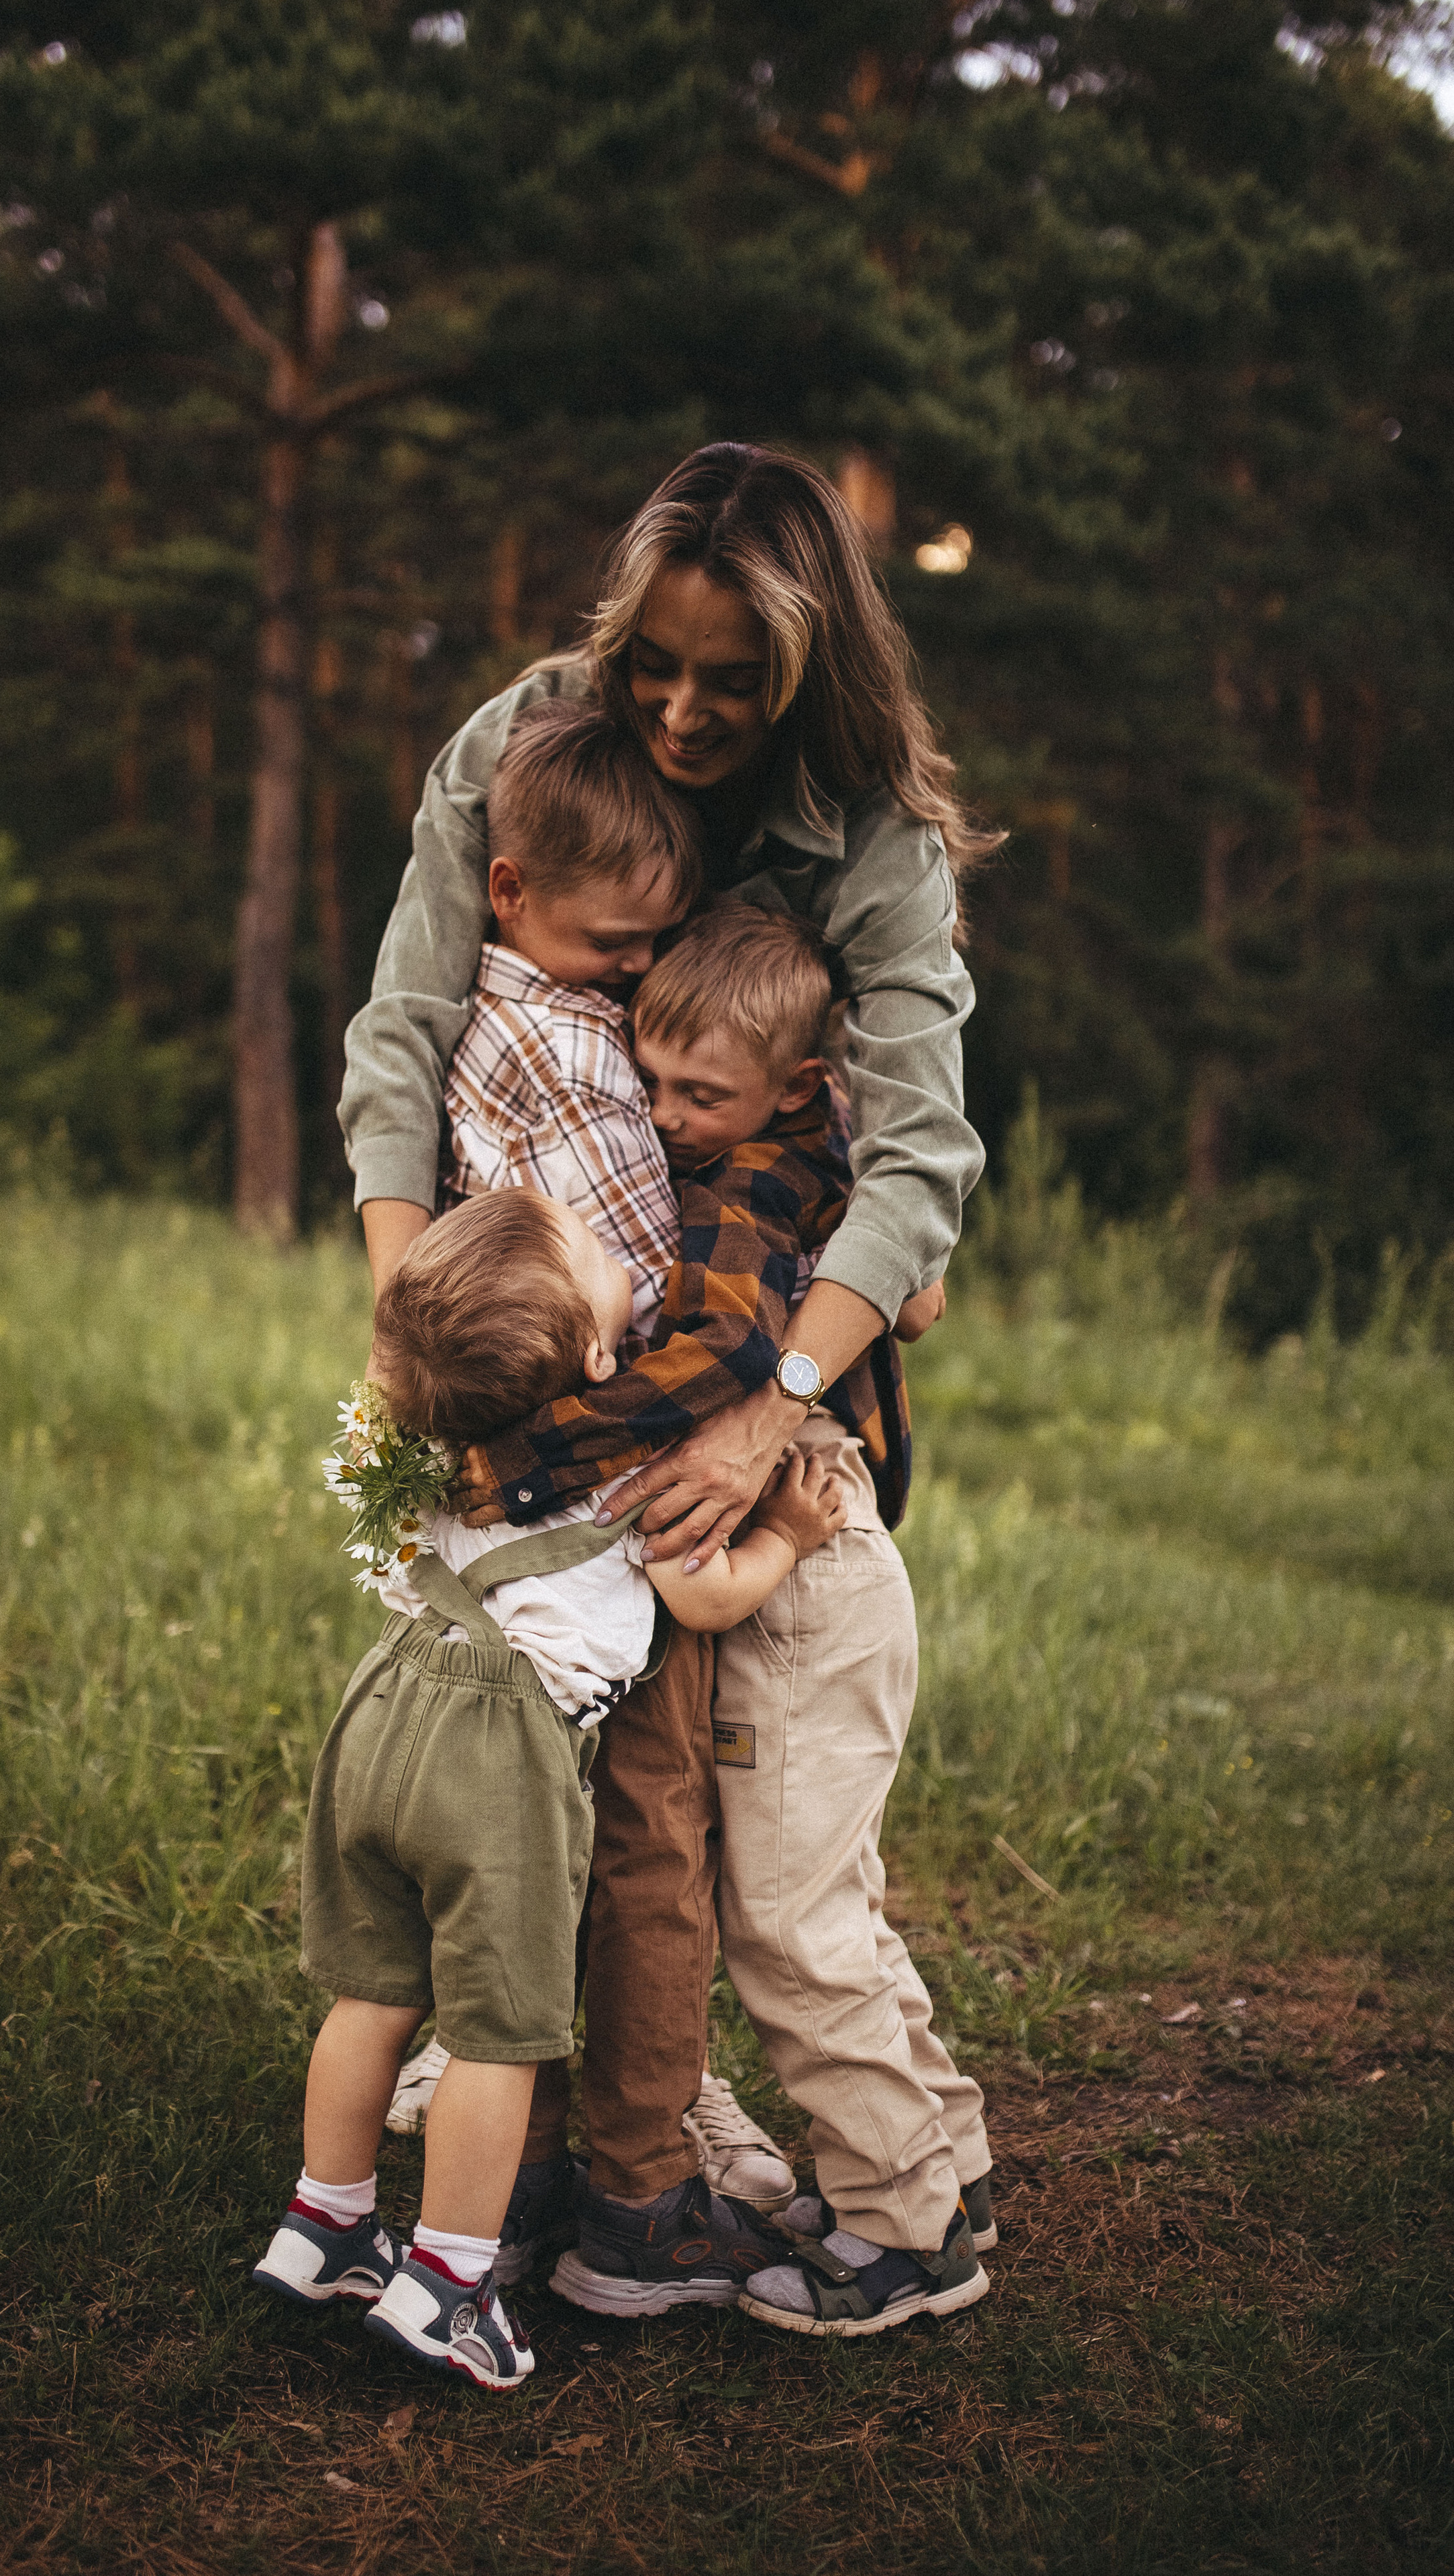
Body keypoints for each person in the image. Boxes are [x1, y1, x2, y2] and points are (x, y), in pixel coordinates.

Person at [340, 441, 996, 2297]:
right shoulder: (525, 747)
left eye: (737, 682)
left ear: (810, 676)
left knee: (736, 1813)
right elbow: (404, 1026)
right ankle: (629, 2143)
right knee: (581, 1795)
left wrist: (774, 1400)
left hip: (748, 1376)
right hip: (528, 1383)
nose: (689, 714)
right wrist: (420, 1339)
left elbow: (924, 1162)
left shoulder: (870, 836)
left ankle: (868, 2180)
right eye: (659, 669)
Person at [252, 1187, 843, 2391]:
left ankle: (324, 2226)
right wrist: (788, 1534)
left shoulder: (435, 1440)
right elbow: (707, 1598)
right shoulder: (626, 1474)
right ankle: (450, 2285)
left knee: (374, 1995)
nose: (608, 1245)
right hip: (496, 1761)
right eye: (591, 1254)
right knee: (500, 2033)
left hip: (380, 1718)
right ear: (591, 1351)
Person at [520, 906, 993, 2332]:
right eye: (652, 1086)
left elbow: (719, 1350)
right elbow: (914, 1302)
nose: (663, 1121)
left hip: (806, 1574)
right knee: (823, 1896)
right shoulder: (826, 1152)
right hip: (837, 1560)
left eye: (697, 1095)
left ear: (790, 1085)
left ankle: (906, 2236)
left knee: (783, 1921)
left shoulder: (733, 1197)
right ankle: (942, 2162)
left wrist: (523, 1433)